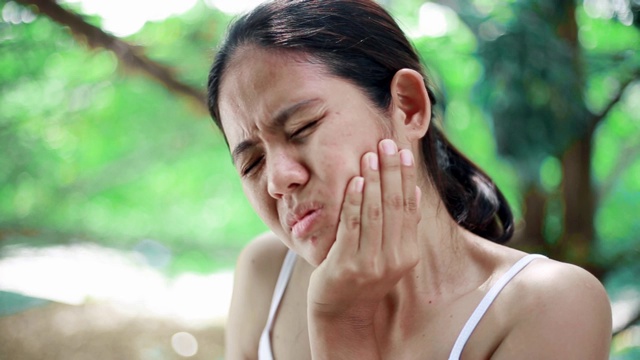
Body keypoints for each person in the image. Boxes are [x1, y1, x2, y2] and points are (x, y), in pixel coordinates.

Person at [206, 0, 612, 358]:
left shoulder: (547, 305)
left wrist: (341, 322)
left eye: (302, 127)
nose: (278, 179)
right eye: (253, 163)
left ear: (408, 107)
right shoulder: (266, 273)